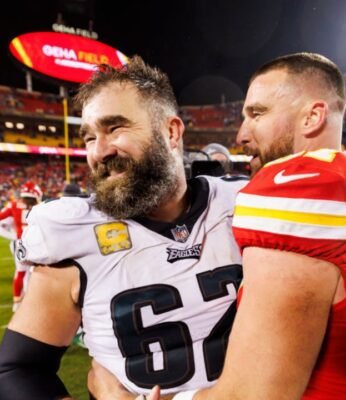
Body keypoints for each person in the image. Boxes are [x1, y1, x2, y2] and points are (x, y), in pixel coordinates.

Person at [91, 52, 346, 400]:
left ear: (312, 116)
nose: (242, 134)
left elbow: (252, 395)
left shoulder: (296, 189)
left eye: (257, 114)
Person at [0, 56, 245, 399]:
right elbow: (19, 370)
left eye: (115, 128)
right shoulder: (74, 233)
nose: (99, 152)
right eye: (89, 138)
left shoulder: (242, 202)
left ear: (171, 131)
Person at [0, 181, 42, 311]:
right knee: (35, 272)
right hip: (36, 243)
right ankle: (32, 300)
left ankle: (17, 302)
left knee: (21, 272)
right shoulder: (41, 207)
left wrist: (12, 235)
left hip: (21, 243)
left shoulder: (14, 205)